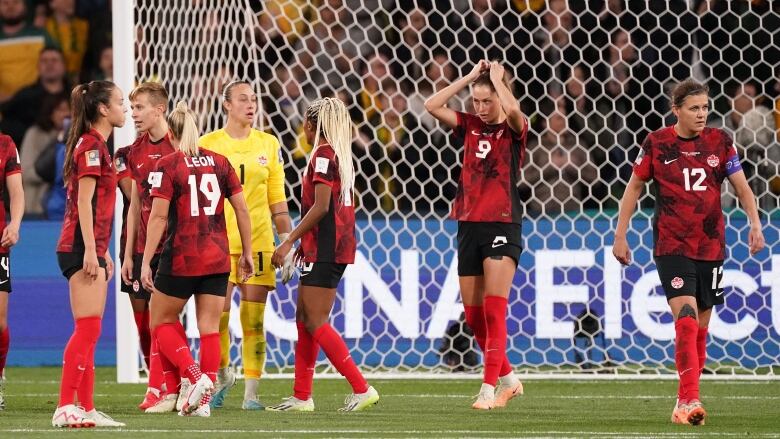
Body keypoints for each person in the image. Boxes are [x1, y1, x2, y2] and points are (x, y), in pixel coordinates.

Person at [613, 79, 765, 426]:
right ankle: (690, 399)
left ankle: (684, 401)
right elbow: (633, 188)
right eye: (694, 108)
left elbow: (742, 187)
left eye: (705, 108)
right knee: (684, 317)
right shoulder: (657, 142)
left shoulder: (720, 141)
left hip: (711, 245)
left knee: (700, 327)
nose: (701, 114)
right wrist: (620, 235)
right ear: (676, 110)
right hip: (671, 245)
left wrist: (755, 224)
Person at [424, 60, 528, 410]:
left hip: (502, 224)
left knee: (495, 311)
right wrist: (470, 78)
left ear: (500, 96)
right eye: (477, 101)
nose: (481, 108)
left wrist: (500, 80)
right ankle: (510, 380)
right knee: (474, 316)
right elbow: (431, 105)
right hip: (468, 224)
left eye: (487, 101)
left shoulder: (515, 128)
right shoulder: (469, 126)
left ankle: (487, 388)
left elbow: (513, 110)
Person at [140, 101, 254, 418]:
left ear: (172, 133)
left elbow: (159, 218)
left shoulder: (168, 165)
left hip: (181, 257)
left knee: (160, 320)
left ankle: (194, 378)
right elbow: (242, 210)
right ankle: (202, 405)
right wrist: (246, 252)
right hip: (217, 256)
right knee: (209, 329)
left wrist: (146, 260)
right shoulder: (220, 162)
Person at [267, 97, 379, 412]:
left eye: (305, 122)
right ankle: (302, 396)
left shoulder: (322, 155)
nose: (301, 128)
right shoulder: (335, 154)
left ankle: (362, 387)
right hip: (326, 247)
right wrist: (305, 244)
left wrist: (289, 241)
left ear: (314, 125)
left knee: (315, 321)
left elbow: (321, 207)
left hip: (327, 250)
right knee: (304, 320)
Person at [199, 80, 292, 410]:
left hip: (260, 243)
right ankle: (223, 375)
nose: (250, 104)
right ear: (226, 105)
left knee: (253, 321)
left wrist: (288, 242)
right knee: (217, 320)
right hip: (217, 244)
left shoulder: (268, 144)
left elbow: (277, 201)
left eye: (254, 99)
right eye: (242, 99)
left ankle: (252, 395)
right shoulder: (206, 144)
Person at [52, 80, 126, 428]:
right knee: (87, 327)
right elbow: (83, 201)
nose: (125, 109)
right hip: (78, 248)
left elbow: (96, 206)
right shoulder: (92, 146)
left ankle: (87, 406)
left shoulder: (96, 145)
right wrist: (91, 252)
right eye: (121, 103)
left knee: (91, 329)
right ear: (102, 109)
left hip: (89, 246)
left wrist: (103, 250)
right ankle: (65, 405)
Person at [118, 82, 177, 413]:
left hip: (173, 246)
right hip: (140, 247)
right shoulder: (134, 152)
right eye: (132, 108)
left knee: (161, 318)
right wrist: (128, 254)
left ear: (159, 110)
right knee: (145, 322)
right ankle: (169, 381)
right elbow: (133, 206)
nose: (134, 114)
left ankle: (160, 387)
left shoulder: (179, 146)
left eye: (139, 108)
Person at [0, 132, 23, 410]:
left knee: (0, 323)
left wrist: (15, 223)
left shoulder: (5, 144)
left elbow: (16, 192)